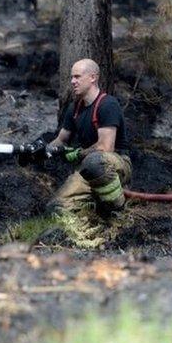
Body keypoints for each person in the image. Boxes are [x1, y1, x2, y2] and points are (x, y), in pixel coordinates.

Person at [45, 58, 131, 234]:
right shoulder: (74, 108)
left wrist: (78, 154)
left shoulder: (108, 104)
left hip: (114, 164)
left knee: (94, 162)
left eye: (77, 77)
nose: (72, 81)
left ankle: (117, 209)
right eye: (71, 77)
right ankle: (92, 219)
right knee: (55, 208)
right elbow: (61, 140)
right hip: (88, 168)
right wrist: (41, 150)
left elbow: (106, 148)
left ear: (92, 77)